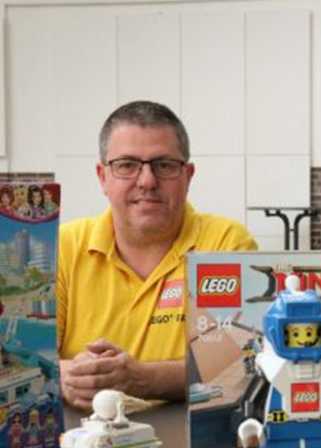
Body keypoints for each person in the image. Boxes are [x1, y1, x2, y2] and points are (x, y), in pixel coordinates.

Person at [58, 101, 257, 411]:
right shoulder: (64, 247)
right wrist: (69, 377)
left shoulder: (225, 244)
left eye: (164, 165)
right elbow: (21, 362)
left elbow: (236, 366)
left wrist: (144, 379)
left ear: (187, 176)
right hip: (81, 436)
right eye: (127, 165)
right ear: (102, 177)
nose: (147, 181)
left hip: (188, 435)